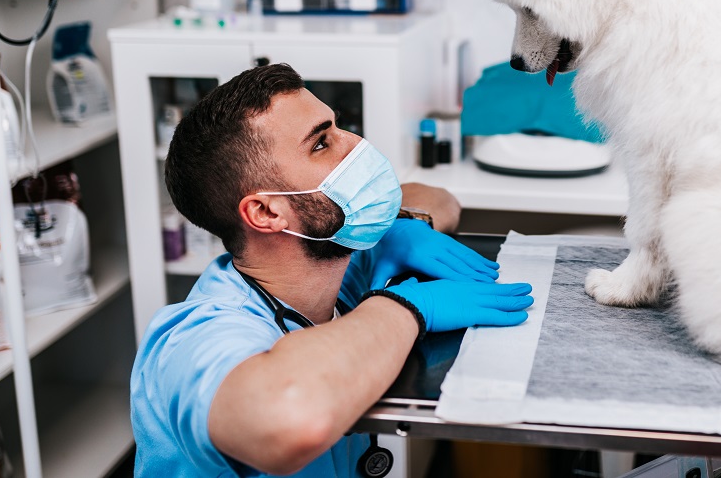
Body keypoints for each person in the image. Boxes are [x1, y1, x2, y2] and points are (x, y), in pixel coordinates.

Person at [130, 63, 534, 477]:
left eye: (339, 127)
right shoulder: (191, 339)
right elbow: (289, 419)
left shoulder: (330, 265)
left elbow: (440, 199)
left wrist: (405, 225)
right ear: (267, 212)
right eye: (322, 143)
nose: (356, 144)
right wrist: (403, 309)